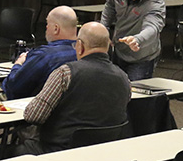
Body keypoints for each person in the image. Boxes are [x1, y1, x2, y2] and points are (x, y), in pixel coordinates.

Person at [19, 22, 131, 153]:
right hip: (103, 154)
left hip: (57, 152)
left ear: (79, 46)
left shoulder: (65, 73)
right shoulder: (124, 78)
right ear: (108, 47)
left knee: (4, 152)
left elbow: (34, 116)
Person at [99, 0, 166, 80]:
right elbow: (110, 6)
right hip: (118, 51)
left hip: (141, 58)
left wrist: (137, 39)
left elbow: (152, 28)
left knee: (136, 96)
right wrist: (104, 28)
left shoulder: (155, 3)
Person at [1, 6, 79, 99]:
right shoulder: (85, 52)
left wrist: (18, 64)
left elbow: (14, 87)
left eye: (47, 23)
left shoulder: (44, 55)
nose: (46, 27)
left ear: (56, 29)